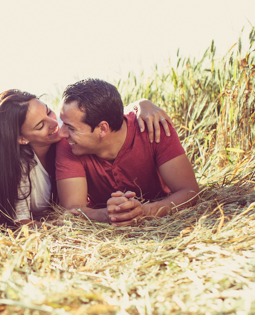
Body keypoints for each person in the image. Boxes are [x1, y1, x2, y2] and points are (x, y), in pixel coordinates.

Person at [0, 89, 172, 228]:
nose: (55, 124)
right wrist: (55, 227)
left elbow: (100, 119)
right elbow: (22, 227)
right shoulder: (20, 172)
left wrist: (141, 104)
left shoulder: (67, 141)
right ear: (22, 139)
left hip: (9, 162)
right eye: (40, 125)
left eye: (48, 112)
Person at [56, 79, 199, 226]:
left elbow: (189, 191)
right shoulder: (69, 146)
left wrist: (145, 211)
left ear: (103, 129)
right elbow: (71, 209)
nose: (61, 134)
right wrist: (106, 214)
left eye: (71, 128)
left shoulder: (154, 128)